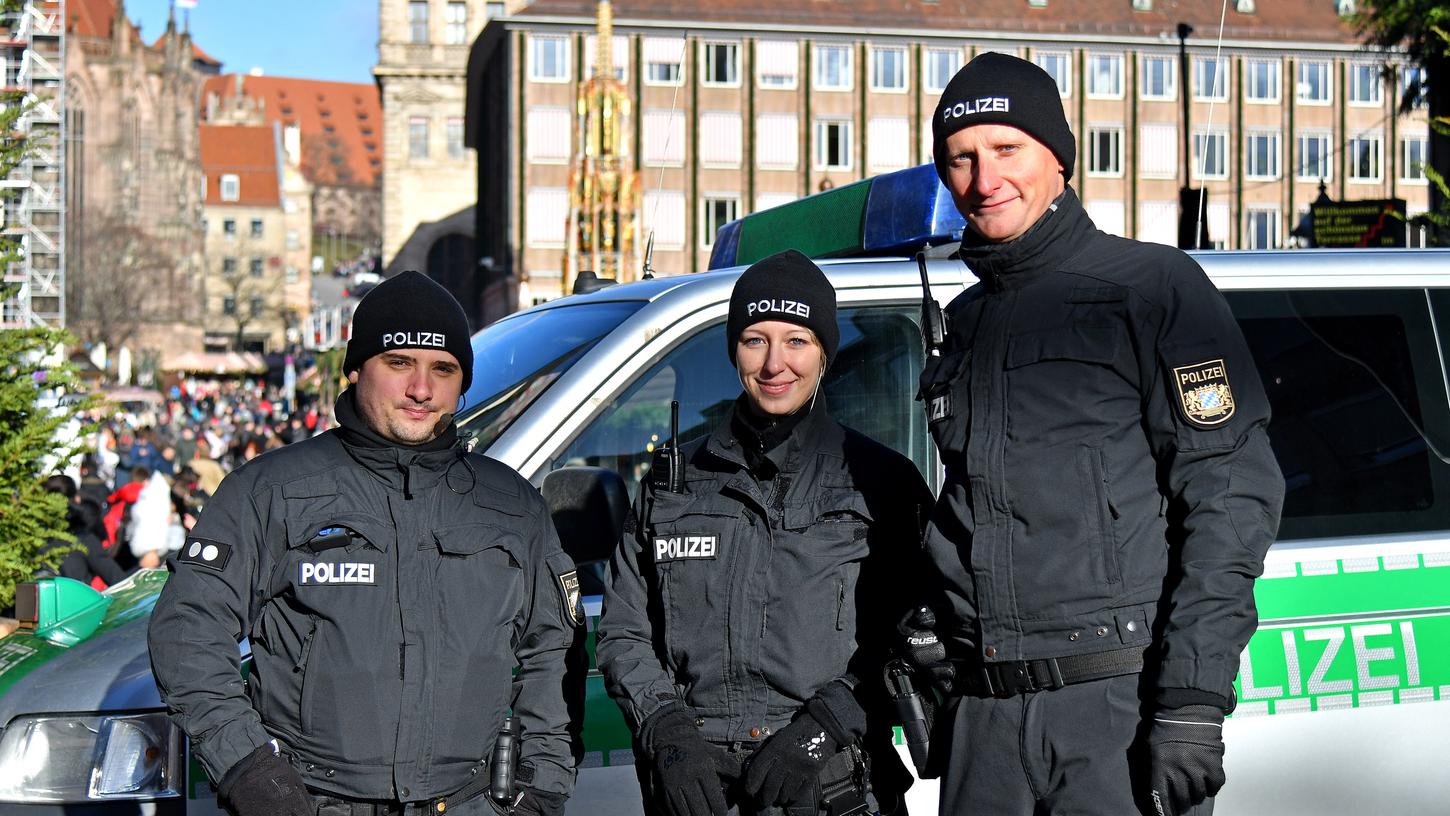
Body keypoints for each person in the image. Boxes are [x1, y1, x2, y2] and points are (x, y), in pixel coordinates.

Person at [900, 52, 1285, 816]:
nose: (983, 180)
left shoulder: (1151, 289)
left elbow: (1231, 497)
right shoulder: (965, 326)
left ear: (1059, 160)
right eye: (960, 160)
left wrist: (1191, 700)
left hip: (1114, 713)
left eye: (1006, 150)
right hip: (983, 722)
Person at [148, 271, 583, 816]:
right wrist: (249, 770)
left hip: (470, 803)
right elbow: (189, 632)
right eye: (399, 363)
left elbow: (554, 650)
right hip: (314, 803)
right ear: (355, 369)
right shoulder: (270, 491)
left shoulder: (511, 504)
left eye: (442, 370)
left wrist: (539, 789)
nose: (421, 389)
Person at [598, 250, 932, 816]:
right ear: (734, 351)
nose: (775, 363)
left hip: (833, 787)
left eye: (797, 340)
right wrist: (666, 730)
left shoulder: (880, 480)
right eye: (755, 339)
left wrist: (830, 723)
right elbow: (625, 630)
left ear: (824, 352)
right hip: (700, 793)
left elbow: (923, 626)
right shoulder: (673, 484)